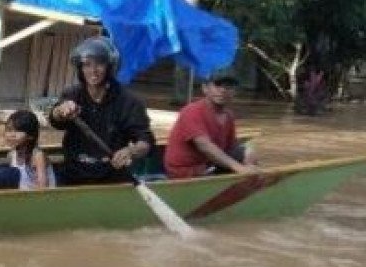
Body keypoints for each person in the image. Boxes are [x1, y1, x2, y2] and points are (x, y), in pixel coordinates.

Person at [48, 37, 155, 185]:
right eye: (87, 64)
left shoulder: (129, 101)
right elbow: (55, 121)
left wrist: (130, 151)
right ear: (80, 68)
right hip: (73, 174)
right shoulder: (72, 93)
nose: (93, 71)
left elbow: (146, 141)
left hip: (111, 176)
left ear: (110, 67)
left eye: (99, 64)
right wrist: (60, 111)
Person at [164, 67, 258, 179]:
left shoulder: (228, 116)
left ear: (234, 91)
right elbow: (205, 146)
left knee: (249, 151)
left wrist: (248, 161)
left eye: (228, 86)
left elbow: (231, 147)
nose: (223, 90)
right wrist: (238, 167)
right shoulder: (192, 111)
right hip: (184, 171)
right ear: (205, 88)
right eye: (217, 85)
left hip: (208, 165)